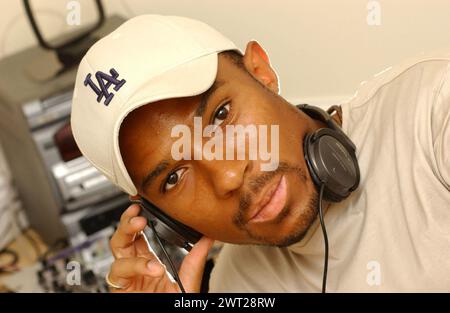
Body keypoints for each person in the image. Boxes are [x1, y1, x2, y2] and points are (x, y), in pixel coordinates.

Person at [71, 15, 450, 292]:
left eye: (220, 116)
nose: (229, 177)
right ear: (162, 218)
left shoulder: (433, 110)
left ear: (261, 71)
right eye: (174, 177)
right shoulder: (236, 286)